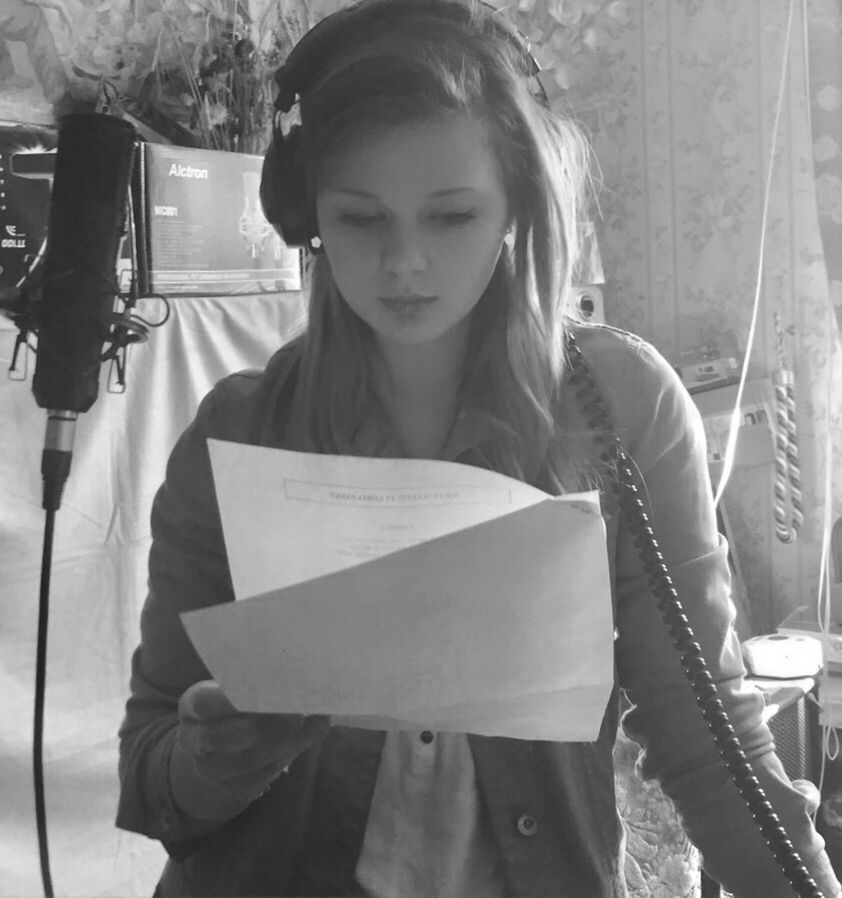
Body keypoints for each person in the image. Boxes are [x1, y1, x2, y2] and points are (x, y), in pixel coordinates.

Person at [115, 1, 842, 895]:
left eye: (451, 216)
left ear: (515, 207)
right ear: (307, 216)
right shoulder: (234, 434)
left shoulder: (622, 405)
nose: (405, 264)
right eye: (362, 219)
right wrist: (211, 757)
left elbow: (708, 735)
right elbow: (151, 786)